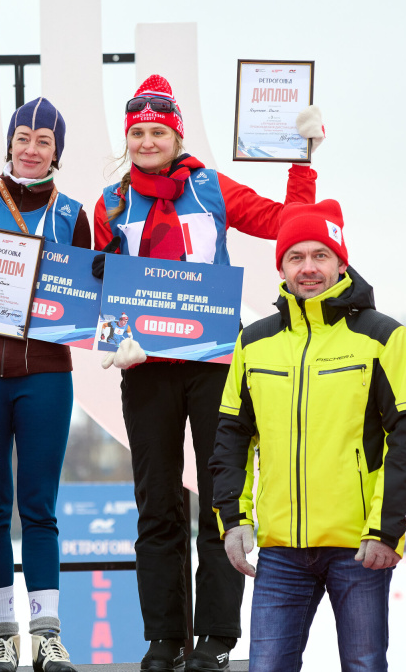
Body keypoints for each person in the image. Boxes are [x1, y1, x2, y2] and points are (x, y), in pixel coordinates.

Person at [92, 74, 320, 671]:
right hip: (146, 368)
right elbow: (103, 281)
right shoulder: (111, 203)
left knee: (223, 498)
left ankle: (216, 638)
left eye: (158, 132)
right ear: (127, 138)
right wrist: (114, 339)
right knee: (157, 502)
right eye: (137, 132)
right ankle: (164, 637)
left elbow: (286, 223)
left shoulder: (209, 188)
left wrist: (302, 163)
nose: (147, 142)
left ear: (177, 137)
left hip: (214, 362)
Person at [209, 200, 406, 671]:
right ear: (281, 267)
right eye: (296, 257)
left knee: (364, 665)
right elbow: (231, 435)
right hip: (281, 550)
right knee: (267, 666)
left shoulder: (384, 338)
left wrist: (386, 530)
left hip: (361, 545)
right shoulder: (253, 342)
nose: (308, 267)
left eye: (320, 255)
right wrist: (234, 517)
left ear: (341, 263)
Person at [0, 97, 89, 672]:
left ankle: (47, 636)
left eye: (44, 141)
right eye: (23, 138)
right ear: (9, 143)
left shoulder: (72, 213)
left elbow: (86, 297)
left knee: (39, 506)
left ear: (57, 152)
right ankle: (2, 636)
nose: (32, 149)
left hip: (45, 371)